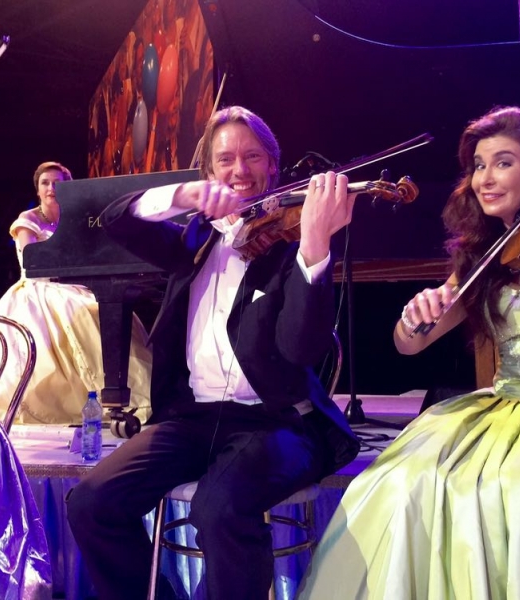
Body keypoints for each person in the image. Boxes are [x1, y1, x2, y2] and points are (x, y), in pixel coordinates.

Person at [297, 106, 520, 599]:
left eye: (503, 163)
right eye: (479, 165)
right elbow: (408, 344)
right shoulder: (485, 256)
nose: (485, 178)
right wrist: (414, 316)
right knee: (403, 479)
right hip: (509, 404)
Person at [66, 106, 360, 600]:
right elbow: (118, 218)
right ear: (209, 171)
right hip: (191, 419)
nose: (239, 170)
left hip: (276, 422)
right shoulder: (193, 241)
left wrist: (314, 246)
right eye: (225, 160)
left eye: (253, 157)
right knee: (91, 503)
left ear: (273, 166)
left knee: (219, 507)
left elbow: (300, 349)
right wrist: (183, 195)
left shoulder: (290, 243)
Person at [0, 161, 152, 425]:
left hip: (71, 285)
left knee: (108, 310)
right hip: (37, 288)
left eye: (57, 183)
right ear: (38, 189)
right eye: (45, 183)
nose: (51, 188)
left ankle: (119, 394)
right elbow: (32, 259)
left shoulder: (74, 219)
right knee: (80, 315)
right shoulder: (28, 220)